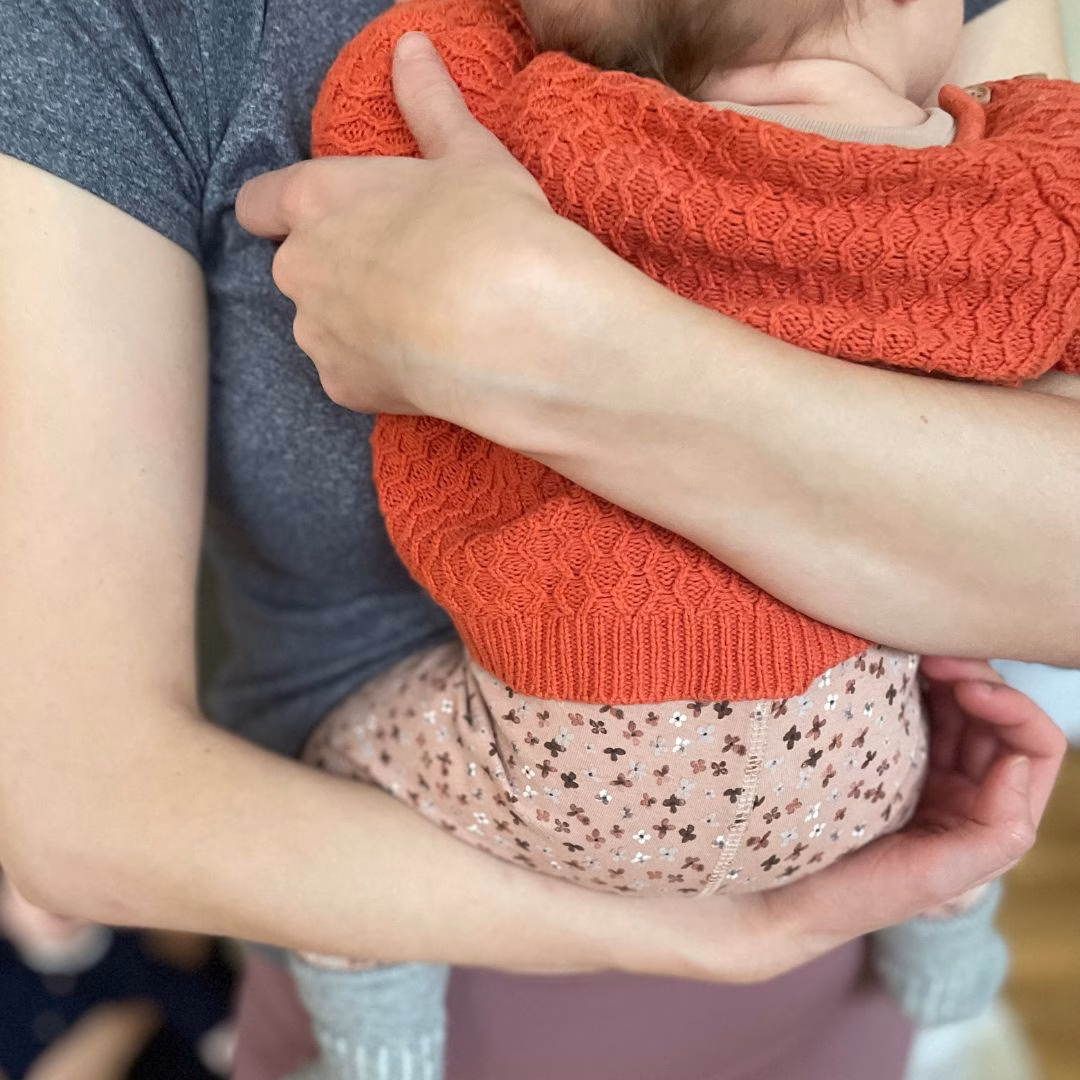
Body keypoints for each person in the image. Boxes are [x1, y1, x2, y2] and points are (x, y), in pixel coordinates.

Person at [0, 0, 1068, 1077]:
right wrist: (735, 933)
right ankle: (953, 936)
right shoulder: (1000, 174)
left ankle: (376, 1012)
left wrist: (567, 342)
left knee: (348, 762)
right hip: (865, 787)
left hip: (549, 815)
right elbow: (76, 805)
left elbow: (413, 73)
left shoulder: (536, 116)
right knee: (965, 733)